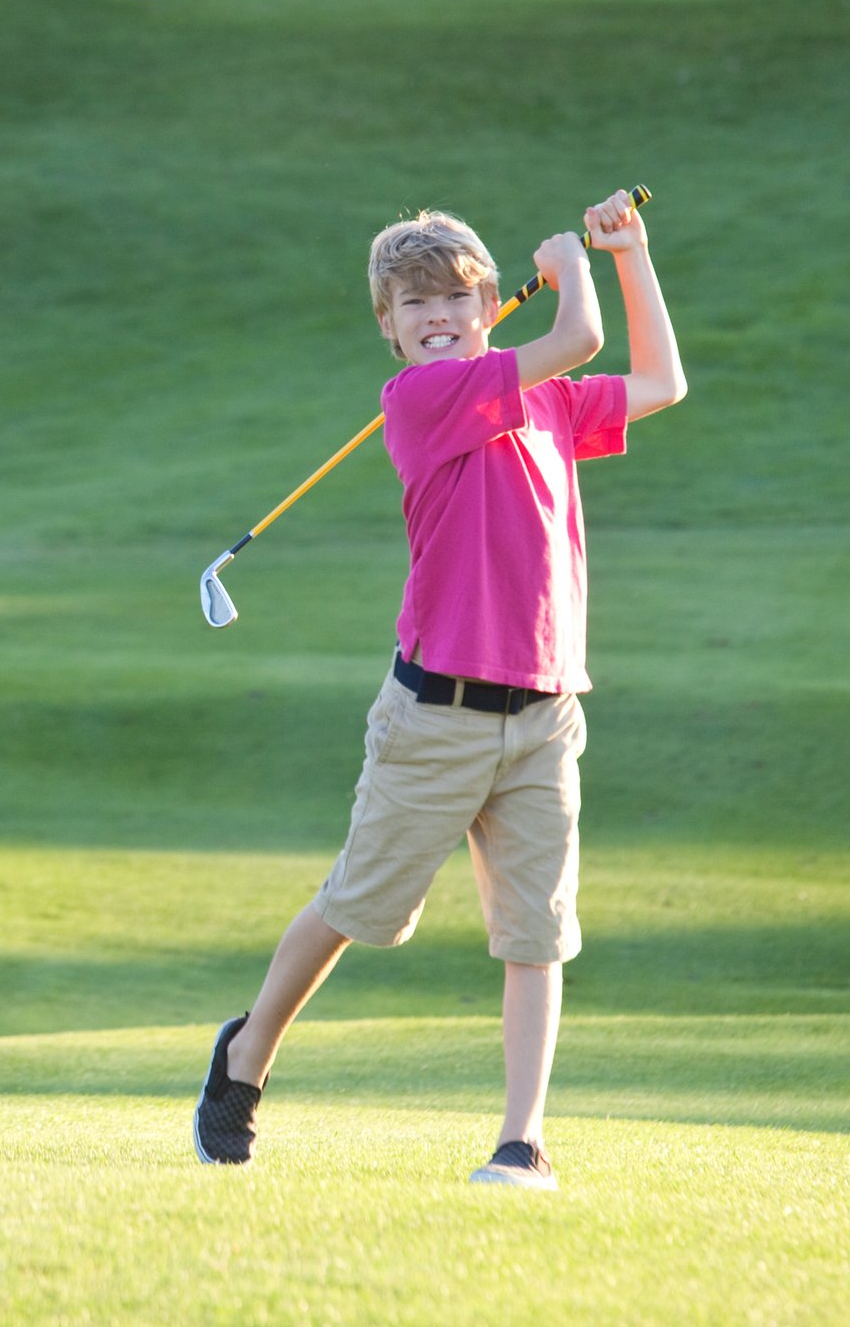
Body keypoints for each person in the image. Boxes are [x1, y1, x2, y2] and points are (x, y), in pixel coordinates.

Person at [192, 188, 686, 1189]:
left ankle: (520, 1138)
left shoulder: (542, 398)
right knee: (359, 906)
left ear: (490, 304)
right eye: (410, 304)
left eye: (454, 299)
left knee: (536, 931)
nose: (434, 317)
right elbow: (580, 334)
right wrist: (575, 266)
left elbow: (662, 382)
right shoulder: (417, 402)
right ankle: (243, 1060)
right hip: (434, 716)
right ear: (387, 325)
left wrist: (630, 253)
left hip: (545, 713)